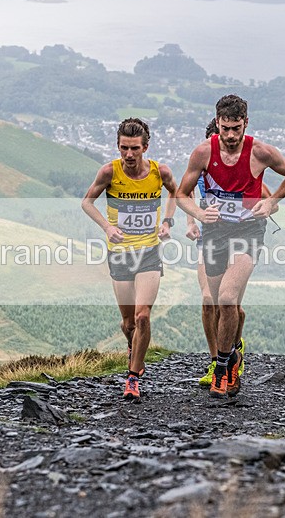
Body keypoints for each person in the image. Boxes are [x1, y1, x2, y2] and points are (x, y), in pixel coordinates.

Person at [176, 95, 285, 398]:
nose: (231, 135)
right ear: (217, 123)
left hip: (248, 231)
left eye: (236, 128)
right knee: (215, 301)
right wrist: (197, 215)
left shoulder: (260, 152)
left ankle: (222, 370)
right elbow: (181, 194)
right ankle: (230, 355)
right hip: (215, 231)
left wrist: (271, 202)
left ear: (246, 123)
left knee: (229, 298)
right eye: (225, 128)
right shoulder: (203, 153)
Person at [81, 117, 178, 400]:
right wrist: (108, 227)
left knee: (143, 316)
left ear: (146, 147)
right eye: (124, 148)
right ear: (118, 146)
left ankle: (133, 378)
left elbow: (177, 191)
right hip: (120, 254)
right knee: (128, 323)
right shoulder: (109, 172)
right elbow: (87, 202)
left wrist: (168, 222)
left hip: (148, 252)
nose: (129, 154)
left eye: (135, 148)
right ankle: (133, 347)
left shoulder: (160, 172)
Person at [185, 118, 278, 387]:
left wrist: (264, 207)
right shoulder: (203, 162)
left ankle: (232, 353)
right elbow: (184, 194)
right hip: (209, 236)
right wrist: (192, 222)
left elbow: (270, 201)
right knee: (208, 299)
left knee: (231, 303)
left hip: (240, 237)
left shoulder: (243, 168)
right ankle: (217, 361)